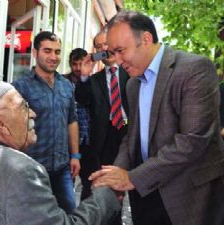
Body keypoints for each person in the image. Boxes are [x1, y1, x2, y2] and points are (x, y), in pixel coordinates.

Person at [89, 10, 224, 225]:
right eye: (112, 53)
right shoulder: (132, 84)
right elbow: (132, 137)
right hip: (147, 194)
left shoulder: (195, 69)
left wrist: (131, 178)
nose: (116, 60)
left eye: (120, 51)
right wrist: (115, 175)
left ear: (146, 39)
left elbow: (192, 141)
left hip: (192, 197)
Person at [0, 80, 122, 225]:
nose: (33, 114)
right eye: (23, 107)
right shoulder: (20, 171)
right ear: (0, 123)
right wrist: (105, 195)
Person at [12, 31, 80, 213]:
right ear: (35, 53)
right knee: (33, 217)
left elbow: (72, 120)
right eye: (47, 51)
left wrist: (75, 155)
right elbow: (13, 128)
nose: (53, 57)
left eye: (57, 52)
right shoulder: (20, 87)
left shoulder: (66, 85)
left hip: (62, 168)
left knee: (69, 214)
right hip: (32, 169)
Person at [75, 28, 130, 225]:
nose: (103, 49)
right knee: (102, 187)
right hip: (102, 142)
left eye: (105, 44)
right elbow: (81, 100)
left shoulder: (130, 72)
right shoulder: (93, 80)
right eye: (98, 47)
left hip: (127, 133)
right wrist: (83, 75)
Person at [64, 48, 96, 200]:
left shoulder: (95, 82)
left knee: (89, 182)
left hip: (88, 140)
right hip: (68, 140)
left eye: (81, 64)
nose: (77, 68)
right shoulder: (62, 82)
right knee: (66, 181)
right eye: (74, 64)